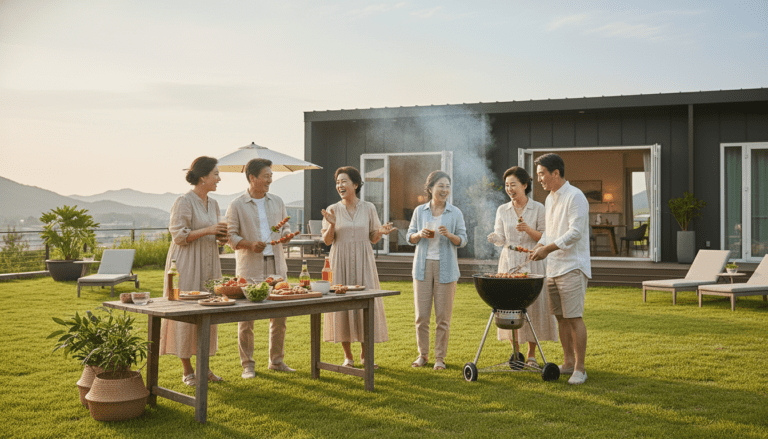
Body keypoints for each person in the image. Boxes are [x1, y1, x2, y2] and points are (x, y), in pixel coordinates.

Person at [160, 156, 227, 386]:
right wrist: (209, 229)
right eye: (216, 174)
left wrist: (221, 237)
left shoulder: (214, 204)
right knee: (186, 314)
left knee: (208, 312)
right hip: (186, 263)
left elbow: (214, 234)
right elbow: (179, 236)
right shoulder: (184, 202)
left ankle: (204, 368)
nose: (219, 178)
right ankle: (188, 371)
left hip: (209, 263)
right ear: (202, 177)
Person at [227, 158, 296, 379]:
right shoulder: (237, 204)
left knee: (279, 315)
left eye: (271, 176)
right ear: (252, 178)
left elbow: (284, 225)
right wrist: (249, 244)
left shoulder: (277, 201)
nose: (270, 180)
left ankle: (276, 361)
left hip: (276, 263)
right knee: (246, 318)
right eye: (266, 176)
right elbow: (230, 235)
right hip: (249, 266)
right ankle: (247, 364)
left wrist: (286, 233)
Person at [320, 166, 395, 368]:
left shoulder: (369, 207)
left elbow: (373, 237)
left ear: (355, 184)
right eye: (337, 182)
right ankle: (348, 357)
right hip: (340, 261)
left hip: (364, 261)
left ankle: (365, 355)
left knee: (366, 304)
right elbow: (327, 241)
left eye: (344, 181)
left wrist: (381, 231)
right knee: (342, 306)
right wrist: (332, 224)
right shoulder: (332, 209)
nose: (340, 185)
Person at [530, 153, 591, 385]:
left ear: (555, 173)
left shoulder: (575, 197)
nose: (540, 180)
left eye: (542, 174)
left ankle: (580, 368)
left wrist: (548, 249)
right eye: (538, 175)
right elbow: (551, 231)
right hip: (554, 268)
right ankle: (567, 363)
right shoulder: (550, 198)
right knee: (561, 318)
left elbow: (575, 233)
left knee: (574, 317)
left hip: (572, 266)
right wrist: (540, 244)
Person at [487, 167, 557, 367]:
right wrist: (495, 238)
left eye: (513, 185)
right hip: (509, 261)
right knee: (509, 307)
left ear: (525, 185)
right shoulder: (502, 209)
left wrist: (528, 229)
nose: (509, 189)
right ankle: (516, 353)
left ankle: (532, 355)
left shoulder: (539, 208)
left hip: (532, 259)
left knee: (533, 307)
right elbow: (501, 237)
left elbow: (545, 237)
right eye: (507, 185)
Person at [406, 171, 467, 371]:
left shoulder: (455, 213)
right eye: (440, 185)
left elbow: (463, 240)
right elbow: (409, 237)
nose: (444, 190)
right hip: (422, 267)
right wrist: (418, 234)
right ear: (430, 188)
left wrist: (450, 235)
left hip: (447, 267)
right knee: (421, 316)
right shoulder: (420, 211)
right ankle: (423, 354)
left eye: (447, 186)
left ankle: (440, 357)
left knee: (443, 317)